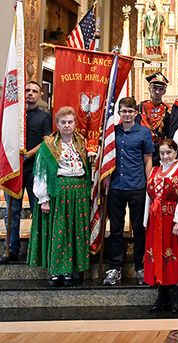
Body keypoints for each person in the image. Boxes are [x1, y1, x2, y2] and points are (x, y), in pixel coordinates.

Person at [27, 107, 90, 287]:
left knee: (74, 232)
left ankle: (70, 269)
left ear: (75, 124)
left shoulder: (81, 142)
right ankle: (57, 270)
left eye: (70, 122)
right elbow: (41, 173)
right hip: (59, 191)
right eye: (63, 122)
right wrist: (44, 198)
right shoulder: (49, 145)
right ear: (57, 124)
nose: (67, 125)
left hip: (78, 192)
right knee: (59, 232)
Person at [103, 97, 154, 286]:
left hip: (137, 186)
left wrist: (149, 182)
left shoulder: (143, 133)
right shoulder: (112, 133)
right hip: (116, 185)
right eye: (123, 111)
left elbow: (148, 158)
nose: (127, 114)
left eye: (130, 111)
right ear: (119, 113)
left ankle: (140, 266)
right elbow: (106, 157)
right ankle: (115, 267)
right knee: (116, 229)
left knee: (139, 228)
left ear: (136, 113)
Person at [1, 81, 52, 264]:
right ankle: (11, 249)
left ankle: (37, 249)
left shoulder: (44, 117)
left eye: (34, 91)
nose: (30, 93)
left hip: (33, 170)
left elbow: (47, 141)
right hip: (14, 170)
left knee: (37, 209)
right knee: (12, 211)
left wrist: (27, 155)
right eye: (27, 90)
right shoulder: (12, 115)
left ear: (40, 96)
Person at [143, 139, 178, 313]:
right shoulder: (155, 171)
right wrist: (146, 220)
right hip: (156, 221)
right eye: (163, 153)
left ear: (176, 153)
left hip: (173, 221)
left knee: (172, 255)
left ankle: (175, 296)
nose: (165, 156)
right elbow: (148, 197)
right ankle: (161, 294)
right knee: (156, 254)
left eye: (169, 153)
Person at [136, 71, 171, 166]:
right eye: (154, 88)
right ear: (149, 88)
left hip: (159, 150)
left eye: (161, 89)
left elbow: (169, 134)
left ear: (164, 91)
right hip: (141, 149)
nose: (157, 92)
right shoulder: (140, 107)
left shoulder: (167, 110)